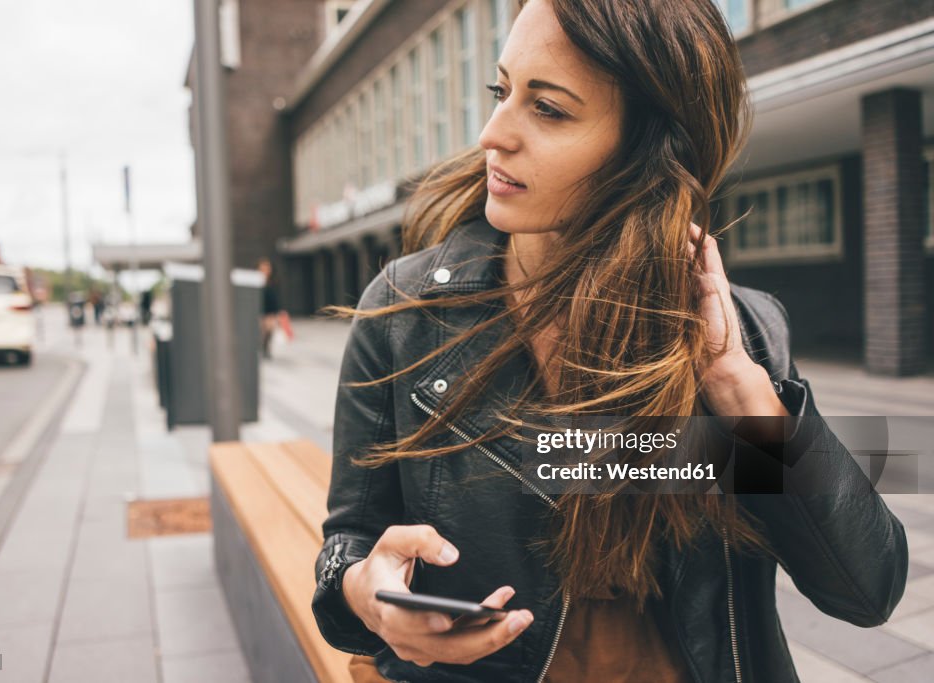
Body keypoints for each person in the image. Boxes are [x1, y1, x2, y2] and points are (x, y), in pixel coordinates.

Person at [312, 1, 908, 682]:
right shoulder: (404, 313)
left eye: (550, 110)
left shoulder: (746, 337)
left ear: (645, 150)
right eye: (501, 91)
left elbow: (868, 588)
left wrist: (738, 386)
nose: (491, 134)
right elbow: (346, 547)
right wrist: (372, 593)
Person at [257, 257, 283, 358]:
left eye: (267, 268)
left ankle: (266, 347)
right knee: (262, 330)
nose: (265, 270)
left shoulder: (273, 281)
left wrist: (278, 312)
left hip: (270, 311)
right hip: (259, 311)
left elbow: (276, 297)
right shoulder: (257, 282)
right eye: (263, 268)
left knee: (270, 329)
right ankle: (262, 347)